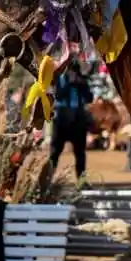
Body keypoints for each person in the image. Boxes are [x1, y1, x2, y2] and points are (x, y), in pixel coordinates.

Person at [49, 47, 94, 181]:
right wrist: (69, 83)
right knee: (55, 151)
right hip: (62, 117)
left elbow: (90, 98)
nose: (73, 70)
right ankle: (47, 179)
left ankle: (81, 181)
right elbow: (57, 95)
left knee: (80, 153)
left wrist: (82, 84)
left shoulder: (81, 79)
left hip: (78, 117)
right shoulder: (61, 79)